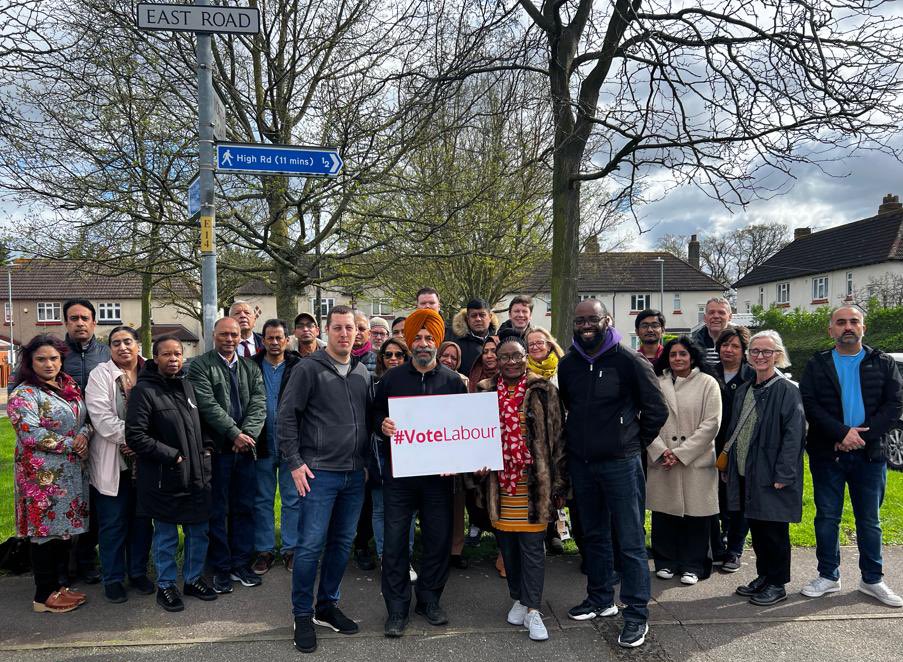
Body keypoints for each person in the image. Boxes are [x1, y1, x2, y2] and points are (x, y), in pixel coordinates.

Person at [557, 299, 667, 649]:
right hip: (583, 464)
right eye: (580, 320)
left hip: (621, 462)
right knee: (593, 536)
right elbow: (571, 408)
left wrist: (631, 442)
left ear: (607, 320)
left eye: (592, 319)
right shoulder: (568, 364)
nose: (585, 325)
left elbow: (656, 409)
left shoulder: (628, 360)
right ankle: (601, 599)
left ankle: (636, 614)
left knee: (631, 540)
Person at [277, 305, 372, 653]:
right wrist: (295, 464)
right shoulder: (308, 369)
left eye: (351, 328)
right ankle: (302, 613)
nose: (345, 334)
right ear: (326, 332)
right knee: (310, 547)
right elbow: (286, 417)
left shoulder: (362, 373)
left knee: (341, 544)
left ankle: (326, 605)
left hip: (353, 474)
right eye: (338, 328)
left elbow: (367, 419)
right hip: (318, 474)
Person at [799, 306, 903, 607]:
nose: (848, 327)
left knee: (870, 520)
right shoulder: (818, 364)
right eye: (841, 322)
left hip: (870, 455)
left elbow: (893, 406)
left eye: (853, 321)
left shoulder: (882, 362)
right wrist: (841, 433)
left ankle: (872, 579)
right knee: (827, 517)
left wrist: (859, 437)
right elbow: (810, 403)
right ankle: (828, 576)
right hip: (827, 453)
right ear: (830, 329)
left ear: (863, 328)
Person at [375, 308, 468, 638]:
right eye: (418, 337)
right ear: (410, 342)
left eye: (430, 338)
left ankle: (429, 599)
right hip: (399, 478)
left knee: (438, 541)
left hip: (438, 480)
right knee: (396, 543)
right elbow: (375, 416)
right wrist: (381, 425)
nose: (424, 343)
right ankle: (397, 608)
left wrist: (457, 460)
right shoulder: (392, 379)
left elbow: (463, 429)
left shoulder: (453, 382)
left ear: (438, 342)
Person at [476, 331, 568, 641]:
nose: (512, 361)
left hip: (534, 485)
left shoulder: (542, 391)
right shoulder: (483, 392)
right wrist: (477, 463)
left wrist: (558, 485)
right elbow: (475, 438)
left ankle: (533, 610)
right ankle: (518, 595)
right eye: (506, 357)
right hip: (499, 485)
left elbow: (557, 439)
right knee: (508, 549)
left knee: (532, 550)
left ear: (526, 357)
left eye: (518, 355)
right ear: (497, 362)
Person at [125, 335, 217, 612]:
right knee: (165, 536)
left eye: (177, 353)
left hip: (196, 476)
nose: (174, 359)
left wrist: (207, 450)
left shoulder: (188, 386)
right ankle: (166, 585)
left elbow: (200, 426)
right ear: (155, 358)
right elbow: (135, 436)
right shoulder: (144, 391)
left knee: (198, 532)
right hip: (164, 478)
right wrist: (172, 455)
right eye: (166, 354)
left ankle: (192, 579)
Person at [8, 334, 92, 613]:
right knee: (43, 533)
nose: (48, 364)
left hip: (70, 473)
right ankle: (43, 595)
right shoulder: (24, 394)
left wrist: (84, 435)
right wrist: (72, 444)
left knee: (63, 533)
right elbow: (30, 434)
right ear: (30, 362)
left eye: (53, 358)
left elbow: (85, 418)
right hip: (41, 477)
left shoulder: (69, 385)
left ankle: (60, 586)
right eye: (41, 359)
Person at [723, 330, 805, 606]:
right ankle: (764, 576)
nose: (760, 356)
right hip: (748, 471)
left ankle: (778, 582)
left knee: (774, 531)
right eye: (755, 351)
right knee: (757, 528)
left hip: (772, 474)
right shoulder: (746, 388)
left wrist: (784, 474)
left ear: (778, 356)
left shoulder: (786, 390)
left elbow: (794, 436)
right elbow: (735, 430)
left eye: (766, 352)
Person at [188, 317, 266, 594]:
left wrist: (247, 435)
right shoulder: (200, 366)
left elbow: (259, 402)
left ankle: (240, 563)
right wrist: (234, 434)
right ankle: (221, 567)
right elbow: (207, 404)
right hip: (217, 450)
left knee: (245, 507)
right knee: (218, 510)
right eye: (224, 334)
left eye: (234, 334)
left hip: (245, 450)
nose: (229, 339)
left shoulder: (250, 367)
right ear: (213, 335)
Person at [84, 326, 154, 603]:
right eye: (116, 343)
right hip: (115, 460)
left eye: (127, 341)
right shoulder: (99, 375)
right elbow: (100, 417)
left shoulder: (152, 369)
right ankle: (112, 578)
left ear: (137, 344)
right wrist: (137, 438)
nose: (122, 347)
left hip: (148, 462)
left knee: (142, 522)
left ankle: (137, 572)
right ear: (109, 348)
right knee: (113, 523)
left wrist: (144, 443)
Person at [647, 337, 722, 585]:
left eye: (683, 354)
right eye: (673, 355)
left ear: (692, 356)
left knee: (697, 516)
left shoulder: (707, 383)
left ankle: (694, 565)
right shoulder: (656, 383)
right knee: (663, 514)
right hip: (662, 460)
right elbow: (645, 419)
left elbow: (712, 424)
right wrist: (661, 450)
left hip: (695, 461)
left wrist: (680, 453)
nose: (678, 358)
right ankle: (665, 561)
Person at [355, 337, 418, 579]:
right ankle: (385, 558)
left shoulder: (415, 382)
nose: (393, 359)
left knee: (409, 510)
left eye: (399, 354)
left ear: (406, 357)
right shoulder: (371, 385)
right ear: (381, 358)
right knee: (380, 509)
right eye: (388, 354)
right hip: (379, 454)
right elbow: (366, 419)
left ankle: (406, 559)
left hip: (411, 454)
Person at [63, 298, 111, 585]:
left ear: (94, 322)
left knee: (94, 502)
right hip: (63, 442)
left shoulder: (106, 354)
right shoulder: (54, 353)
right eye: (73, 318)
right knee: (66, 501)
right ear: (65, 322)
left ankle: (87, 560)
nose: (80, 322)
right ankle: (64, 565)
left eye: (85, 318)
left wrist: (91, 429)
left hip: (99, 437)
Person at [251, 320, 302, 575]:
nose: (274, 342)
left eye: (278, 337)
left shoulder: (298, 366)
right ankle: (264, 550)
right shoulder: (252, 365)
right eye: (269, 338)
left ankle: (291, 549)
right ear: (263, 340)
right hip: (261, 442)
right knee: (262, 499)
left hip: (292, 442)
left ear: (286, 339)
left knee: (293, 499)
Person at [712, 326, 754, 573]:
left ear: (744, 350)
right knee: (716, 499)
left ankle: (735, 550)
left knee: (739, 501)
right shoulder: (708, 373)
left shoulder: (751, 376)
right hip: (712, 446)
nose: (728, 350)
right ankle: (717, 544)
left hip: (741, 448)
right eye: (725, 345)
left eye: (735, 346)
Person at [464, 335, 500, 555]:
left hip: (501, 444)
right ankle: (477, 524)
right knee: (474, 489)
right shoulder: (472, 377)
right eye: (485, 351)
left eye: (493, 350)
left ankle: (501, 539)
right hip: (475, 440)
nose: (488, 355)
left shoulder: (509, 378)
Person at [453, 298, 499, 374]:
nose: (478, 319)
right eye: (474, 316)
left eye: (482, 315)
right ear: (468, 319)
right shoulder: (458, 346)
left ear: (490, 317)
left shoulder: (499, 342)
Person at [692, 297, 732, 366]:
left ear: (730, 317)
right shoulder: (693, 345)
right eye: (711, 312)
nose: (716, 316)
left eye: (721, 313)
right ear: (705, 318)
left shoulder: (741, 343)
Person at [352, 310, 378, 375]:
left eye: (361, 329)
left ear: (369, 333)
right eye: (352, 328)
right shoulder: (337, 358)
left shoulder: (379, 360)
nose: (357, 333)